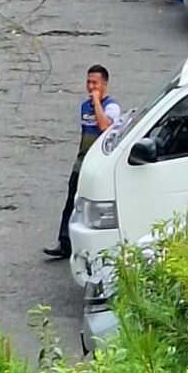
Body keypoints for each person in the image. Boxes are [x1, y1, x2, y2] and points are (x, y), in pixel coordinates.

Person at [45, 65, 121, 260]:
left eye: (95, 83)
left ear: (104, 84)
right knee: (71, 201)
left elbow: (104, 127)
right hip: (82, 161)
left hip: (99, 163)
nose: (90, 87)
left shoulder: (111, 107)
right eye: (88, 82)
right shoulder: (84, 106)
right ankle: (65, 243)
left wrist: (96, 103)